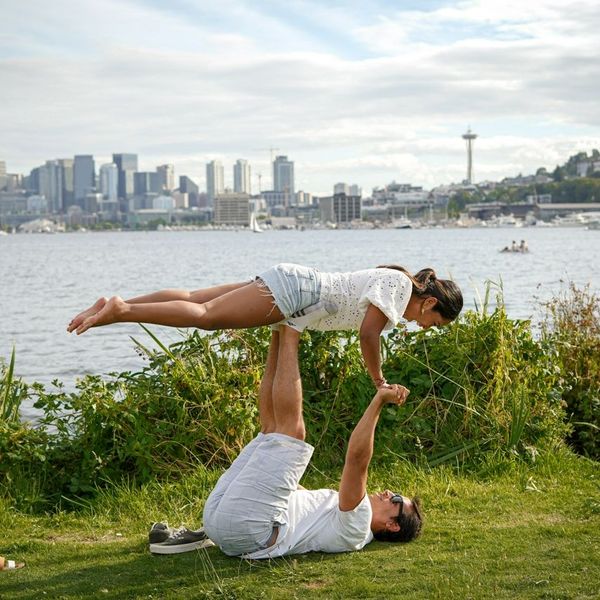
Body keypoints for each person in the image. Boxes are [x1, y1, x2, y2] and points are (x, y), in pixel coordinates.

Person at [150, 326, 422, 558]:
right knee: (272, 431)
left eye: (395, 499)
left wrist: (378, 401)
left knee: (292, 434)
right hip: (223, 520)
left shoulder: (358, 525)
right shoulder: (342, 514)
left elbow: (357, 460)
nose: (388, 492)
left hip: (251, 528)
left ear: (392, 525)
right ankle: (278, 330)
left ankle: (293, 328)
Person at [67, 263, 463, 389]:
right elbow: (368, 334)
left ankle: (119, 304)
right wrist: (379, 380)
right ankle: (121, 310)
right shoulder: (397, 287)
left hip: (295, 284)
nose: (426, 327)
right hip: (296, 291)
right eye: (434, 321)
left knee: (195, 299)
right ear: (429, 302)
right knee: (206, 319)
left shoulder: (394, 289)